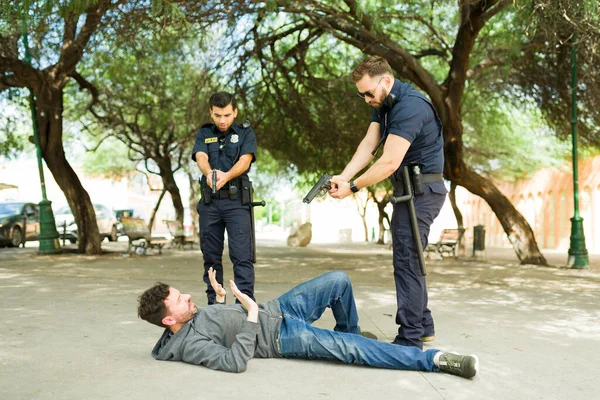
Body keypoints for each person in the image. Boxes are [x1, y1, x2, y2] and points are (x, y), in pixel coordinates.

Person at [137, 269, 479, 379]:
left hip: (280, 307)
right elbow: (233, 361)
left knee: (339, 281)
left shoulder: (192, 319)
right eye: (180, 300)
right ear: (168, 320)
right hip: (282, 336)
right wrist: (251, 312)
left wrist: (222, 299)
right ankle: (433, 361)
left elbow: (220, 328)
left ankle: (350, 333)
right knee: (352, 350)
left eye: (183, 294)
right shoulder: (188, 347)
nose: (187, 299)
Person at [328, 56, 447, 350]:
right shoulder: (385, 104)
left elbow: (390, 161)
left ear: (387, 81)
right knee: (409, 256)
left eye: (369, 93)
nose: (366, 99)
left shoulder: (411, 106)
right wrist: (343, 176)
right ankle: (424, 324)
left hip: (423, 190)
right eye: (361, 95)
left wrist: (353, 187)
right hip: (408, 190)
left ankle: (410, 339)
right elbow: (369, 146)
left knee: (407, 259)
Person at [191, 92, 257, 304]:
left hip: (237, 203)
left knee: (242, 257)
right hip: (211, 203)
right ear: (211, 112)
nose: (222, 120)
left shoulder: (246, 133)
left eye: (227, 115)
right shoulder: (204, 132)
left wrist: (226, 176)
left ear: (235, 112)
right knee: (210, 258)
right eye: (218, 115)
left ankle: (243, 308)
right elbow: (201, 156)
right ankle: (214, 305)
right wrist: (209, 173)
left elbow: (245, 160)